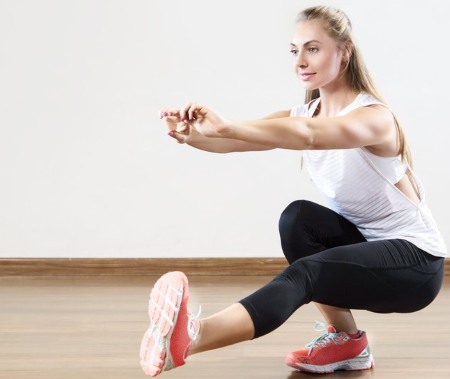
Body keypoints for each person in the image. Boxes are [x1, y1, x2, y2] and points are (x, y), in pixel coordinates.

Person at [140, 5, 447, 377]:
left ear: (344, 51)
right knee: (297, 220)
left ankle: (192, 338)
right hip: (369, 244)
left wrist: (224, 129)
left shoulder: (375, 118)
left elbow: (310, 137)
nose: (300, 60)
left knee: (308, 273)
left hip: (415, 263)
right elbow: (235, 140)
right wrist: (191, 136)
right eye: (294, 50)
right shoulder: (306, 113)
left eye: (313, 49)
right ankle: (348, 343)